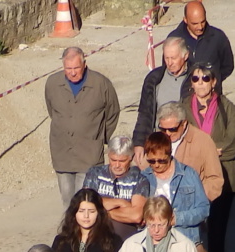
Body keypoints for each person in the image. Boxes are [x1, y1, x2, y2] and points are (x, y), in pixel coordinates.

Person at [183, 63, 235, 252]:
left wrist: (204, 152)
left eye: (206, 78)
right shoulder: (183, 108)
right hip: (191, 181)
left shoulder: (230, 109)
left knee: (216, 239)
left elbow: (231, 146)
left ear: (214, 81)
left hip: (221, 181)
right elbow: (180, 142)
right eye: (196, 78)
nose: (201, 83)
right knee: (190, 239)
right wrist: (208, 151)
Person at [44, 46, 120, 206]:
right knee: (68, 203)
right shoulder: (52, 83)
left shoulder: (101, 84)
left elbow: (112, 113)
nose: (72, 72)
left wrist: (99, 137)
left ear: (84, 64)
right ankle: (70, 231)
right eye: (68, 68)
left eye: (76, 68)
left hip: (89, 156)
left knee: (84, 202)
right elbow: (52, 111)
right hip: (63, 155)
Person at [140, 131, 210, 246]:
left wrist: (176, 218)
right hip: (152, 241)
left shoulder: (189, 174)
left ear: (170, 154)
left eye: (161, 160)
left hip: (183, 238)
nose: (156, 165)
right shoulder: (143, 177)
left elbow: (204, 209)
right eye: (151, 161)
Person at [133, 37, 190, 166]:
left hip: (184, 144)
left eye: (173, 58)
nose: (169, 63)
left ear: (185, 56)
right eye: (166, 58)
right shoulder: (154, 79)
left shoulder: (195, 78)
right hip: (157, 144)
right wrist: (139, 143)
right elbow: (145, 114)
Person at [83, 135, 151, 240]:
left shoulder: (139, 180)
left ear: (131, 158)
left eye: (122, 161)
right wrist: (121, 203)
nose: (117, 165)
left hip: (126, 239)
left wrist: (101, 210)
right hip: (96, 236)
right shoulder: (94, 174)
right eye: (113, 160)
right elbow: (86, 204)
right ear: (108, 155)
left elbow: (136, 216)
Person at [156, 101, 224, 203]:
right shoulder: (156, 139)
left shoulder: (203, 141)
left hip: (190, 208)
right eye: (163, 129)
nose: (167, 134)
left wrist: (193, 199)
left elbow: (215, 180)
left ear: (184, 124)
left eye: (172, 129)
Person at [167, 0, 235, 83]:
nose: (200, 27)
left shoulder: (218, 37)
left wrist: (212, 81)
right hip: (182, 93)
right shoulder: (174, 39)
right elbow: (167, 67)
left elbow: (228, 66)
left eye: (203, 22)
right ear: (185, 20)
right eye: (195, 23)